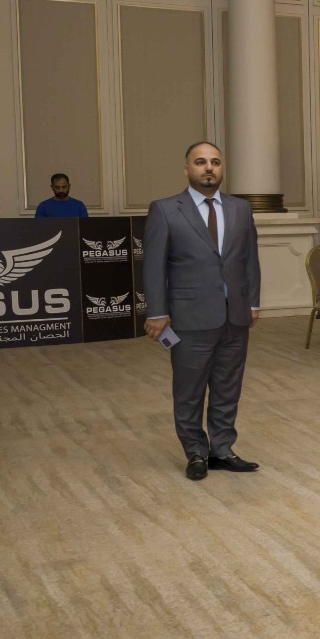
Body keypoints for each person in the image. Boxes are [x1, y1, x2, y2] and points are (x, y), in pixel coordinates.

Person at [141, 142, 260, 481]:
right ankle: (195, 452)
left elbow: (250, 259)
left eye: (215, 162)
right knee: (189, 391)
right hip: (188, 318)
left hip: (235, 317)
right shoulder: (165, 210)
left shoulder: (241, 209)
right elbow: (154, 266)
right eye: (201, 162)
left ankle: (221, 450)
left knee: (227, 388)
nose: (209, 168)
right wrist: (156, 311)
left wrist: (252, 302)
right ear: (187, 169)